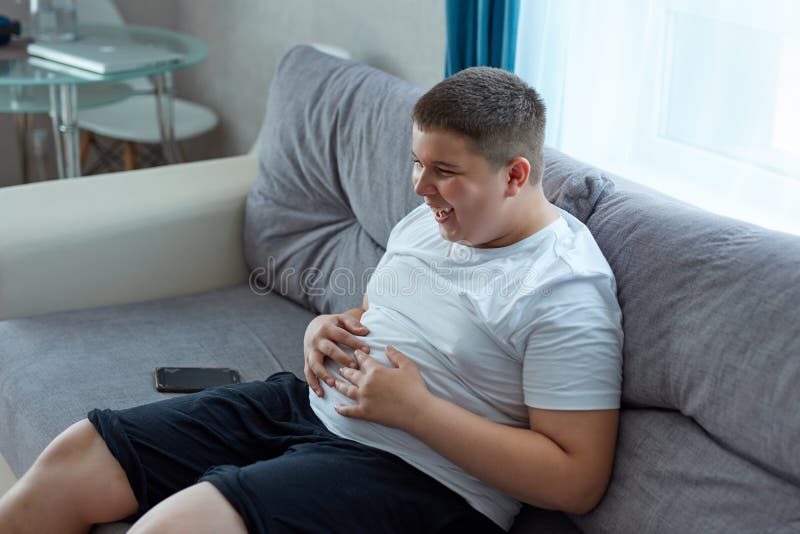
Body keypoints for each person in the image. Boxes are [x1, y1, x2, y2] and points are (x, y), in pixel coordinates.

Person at [0, 67, 622, 534]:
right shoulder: (437, 220)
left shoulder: (563, 289)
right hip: (308, 402)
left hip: (422, 477)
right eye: (417, 163)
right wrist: (328, 327)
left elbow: (577, 480)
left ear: (515, 175)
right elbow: (388, 317)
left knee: (173, 528)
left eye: (445, 171)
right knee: (78, 454)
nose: (421, 187)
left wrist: (417, 412)